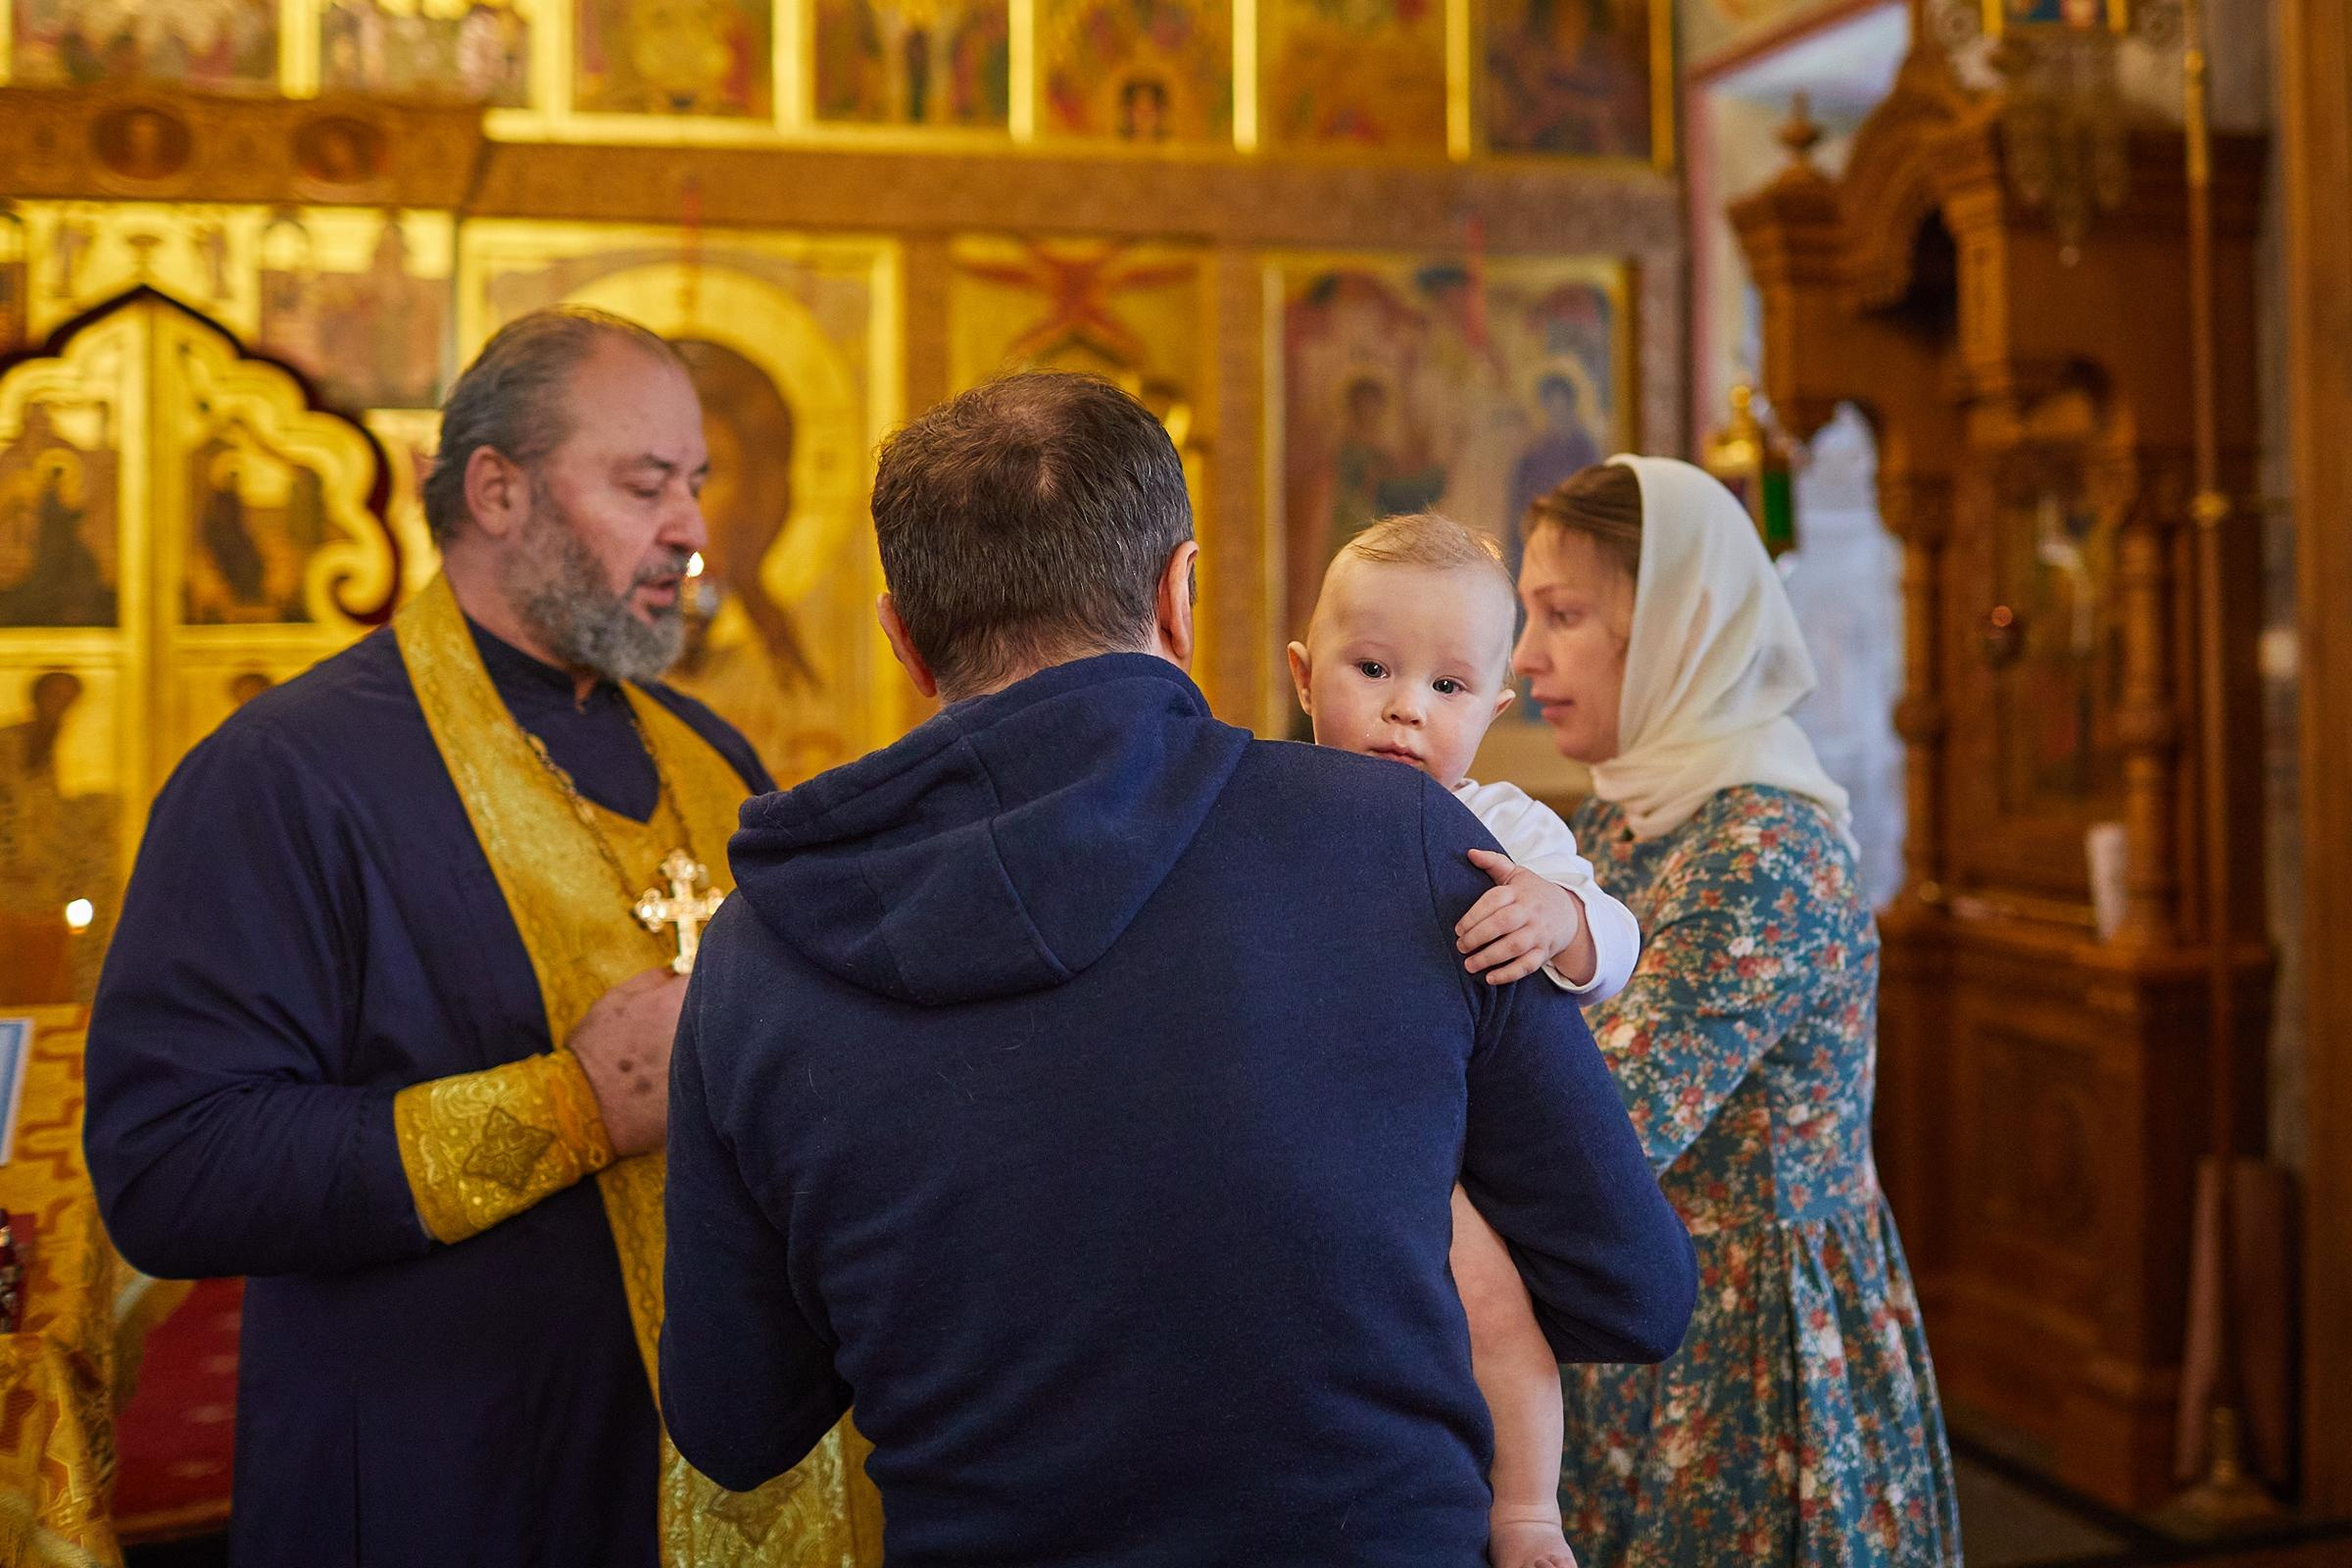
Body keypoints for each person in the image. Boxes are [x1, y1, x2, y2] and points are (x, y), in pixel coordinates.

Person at [660, 371, 1697, 1564]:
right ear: (1180, 593)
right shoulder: (1409, 844)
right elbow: (1634, 1290)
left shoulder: (761, 947)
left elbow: (735, 1425)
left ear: (903, 639)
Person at [83, 307, 879, 1568]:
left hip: (720, 1470)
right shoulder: (287, 774)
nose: (691, 529)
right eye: (645, 483)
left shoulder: (710, 756)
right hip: (447, 1479)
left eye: (698, 485)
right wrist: (572, 1103)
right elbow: (171, 1169)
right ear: (498, 491)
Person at [1510, 457, 1962, 1566]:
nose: (1524, 661)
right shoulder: (1629, 814)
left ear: (1679, 624)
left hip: (1751, 1349)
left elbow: (1600, 1126)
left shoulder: (1760, 845)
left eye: (1563, 616)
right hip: (1647, 1306)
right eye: (1529, 617)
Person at [1286, 509, 1642, 1568]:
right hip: (1303, 1134)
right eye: (1373, 669)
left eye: (1446, 688)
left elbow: (1616, 942)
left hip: (1433, 1150)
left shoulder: (1508, 827)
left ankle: (1527, 1512)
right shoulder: (1276, 808)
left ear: (1494, 704)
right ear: (1306, 675)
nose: (1404, 710)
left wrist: (1556, 916)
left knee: (1490, 1299)